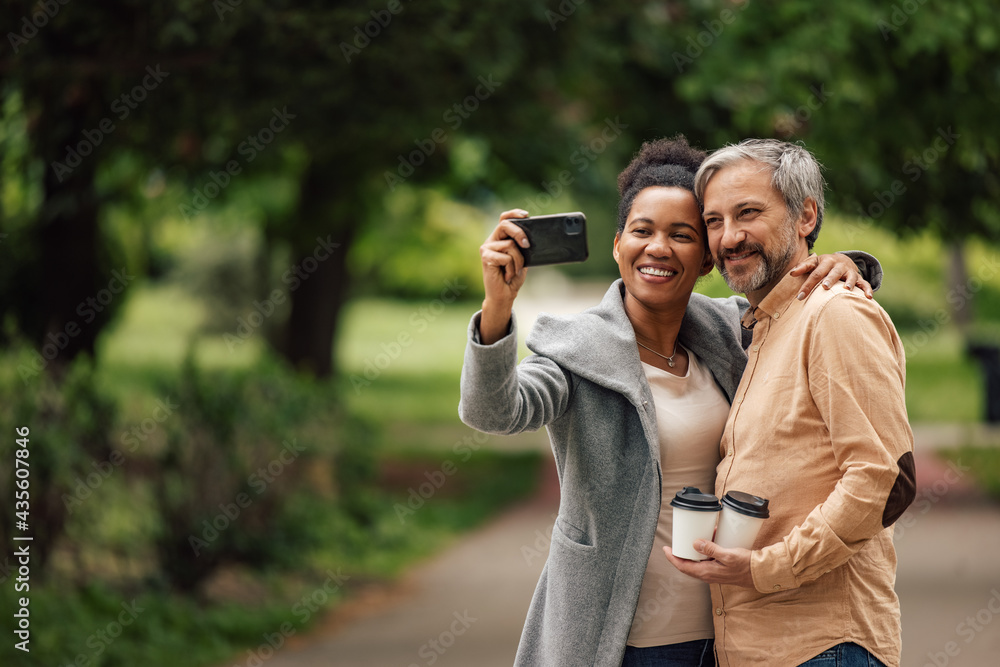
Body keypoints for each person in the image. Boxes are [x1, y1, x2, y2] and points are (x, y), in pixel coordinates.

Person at [459, 136, 881, 666]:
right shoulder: (577, 349)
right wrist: (497, 308)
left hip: (736, 633)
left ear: (707, 257)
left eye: (682, 234)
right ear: (618, 245)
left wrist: (849, 262)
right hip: (626, 640)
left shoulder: (730, 329)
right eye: (642, 231)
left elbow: (792, 292)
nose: (658, 247)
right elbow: (494, 412)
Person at [663, 139, 915, 667]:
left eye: (748, 213)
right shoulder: (759, 327)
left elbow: (883, 479)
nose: (729, 237)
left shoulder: (834, 316)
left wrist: (766, 568)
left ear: (806, 215)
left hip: (825, 646)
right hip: (759, 647)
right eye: (713, 221)